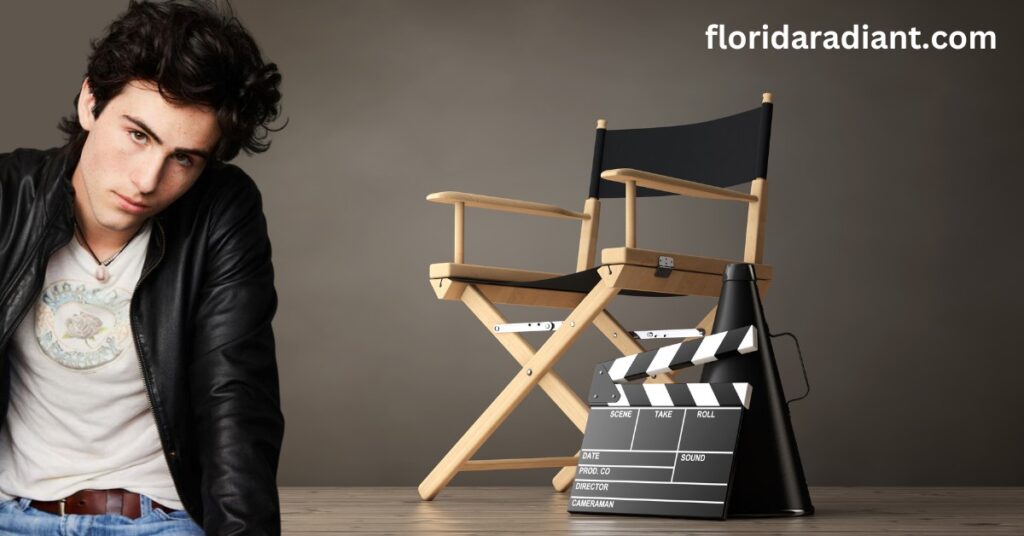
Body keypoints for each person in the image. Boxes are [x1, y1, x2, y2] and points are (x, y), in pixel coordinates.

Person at [0, 1, 285, 533]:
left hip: (158, 519)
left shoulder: (220, 212)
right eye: (138, 135)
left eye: (184, 158)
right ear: (91, 102)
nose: (149, 180)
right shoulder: (8, 196)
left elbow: (236, 399)